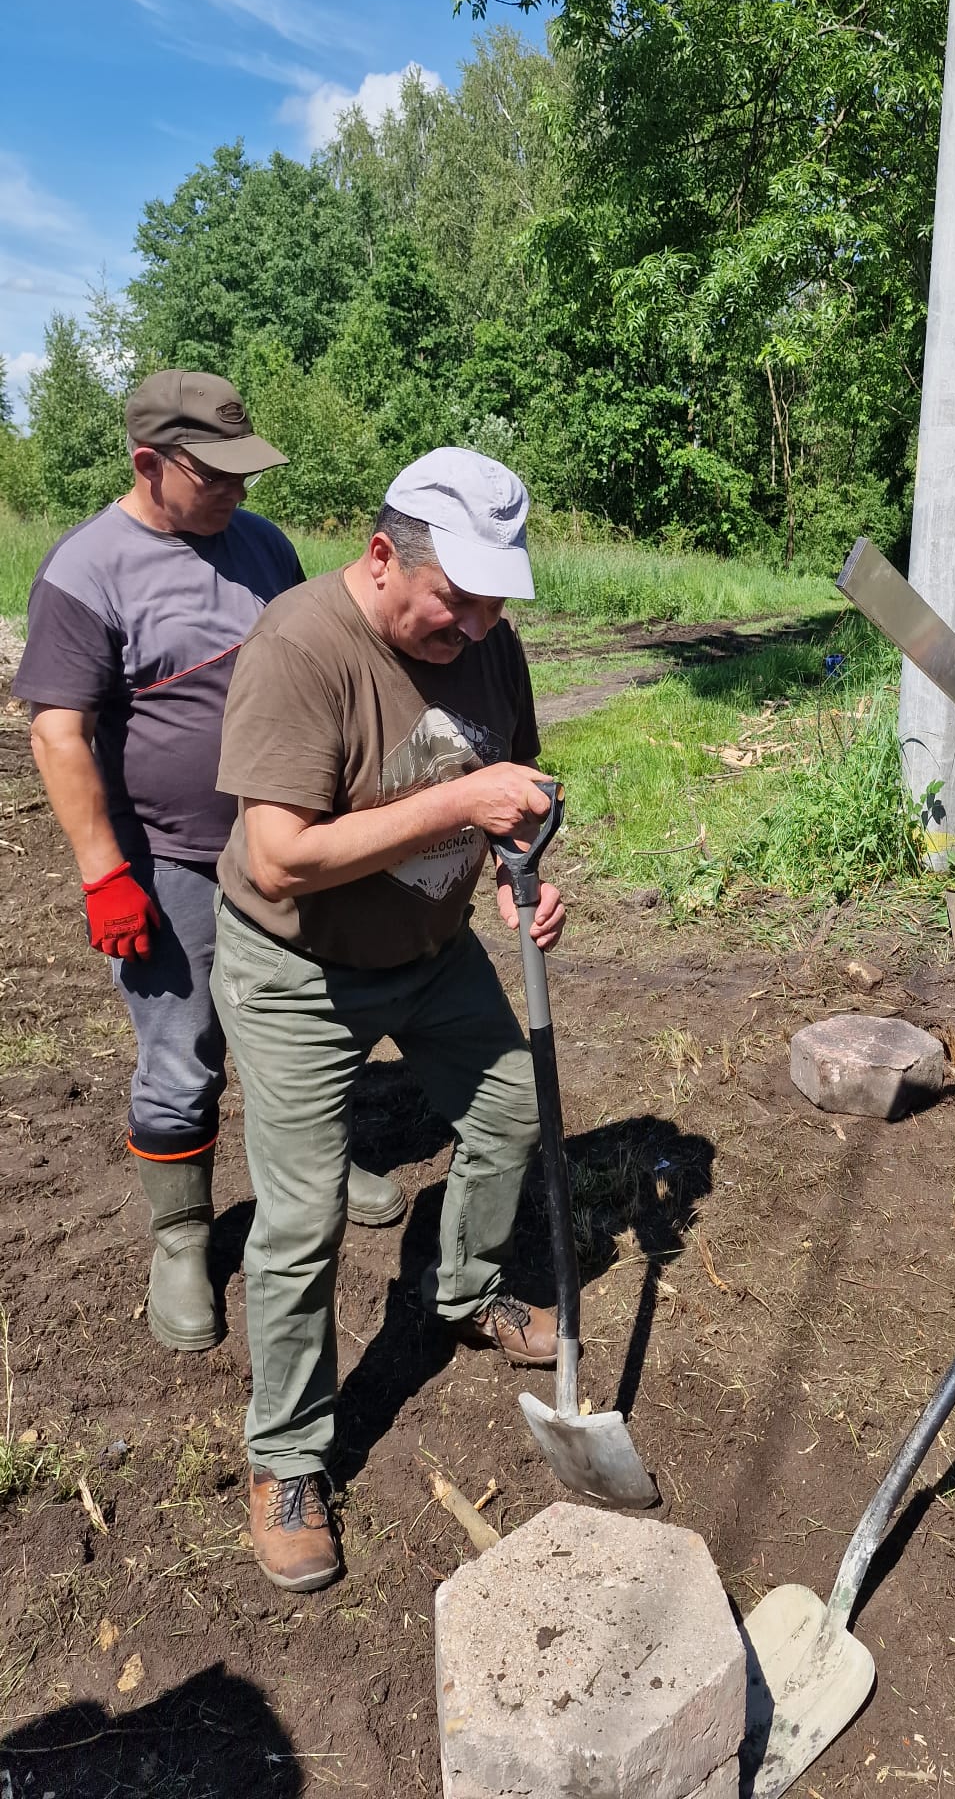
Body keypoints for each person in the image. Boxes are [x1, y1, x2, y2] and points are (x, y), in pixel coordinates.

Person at [212, 447, 564, 1593]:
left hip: (431, 952)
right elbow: (279, 855)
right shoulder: (300, 647)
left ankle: (463, 1289)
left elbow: (512, 782)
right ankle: (287, 1457)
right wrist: (458, 799)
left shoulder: (487, 641)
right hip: (297, 969)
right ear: (381, 556)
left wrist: (520, 871)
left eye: (494, 605)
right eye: (456, 602)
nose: (477, 627)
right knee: (303, 1215)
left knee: (510, 1111)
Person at [13, 369, 404, 1359]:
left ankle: (315, 1163)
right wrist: (106, 873)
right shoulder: (87, 570)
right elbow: (57, 733)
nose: (237, 489)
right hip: (170, 860)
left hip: (289, 845)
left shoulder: (262, 545)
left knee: (308, 1017)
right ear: (149, 463)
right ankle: (183, 1237)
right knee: (182, 1049)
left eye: (244, 470)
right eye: (214, 473)